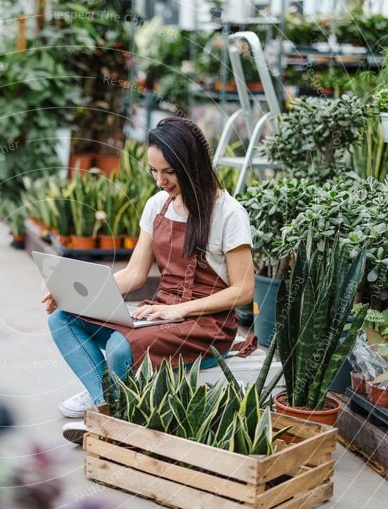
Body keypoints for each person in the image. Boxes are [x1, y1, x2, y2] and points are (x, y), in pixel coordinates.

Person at [42, 117, 256, 445]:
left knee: (120, 347)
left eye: (168, 172)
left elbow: (244, 290)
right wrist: (73, 291)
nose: (160, 181)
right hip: (160, 312)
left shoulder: (229, 213)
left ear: (192, 163)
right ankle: (104, 398)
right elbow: (134, 274)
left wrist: (180, 311)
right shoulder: (157, 206)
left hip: (206, 326)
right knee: (62, 318)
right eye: (153, 171)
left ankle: (107, 417)